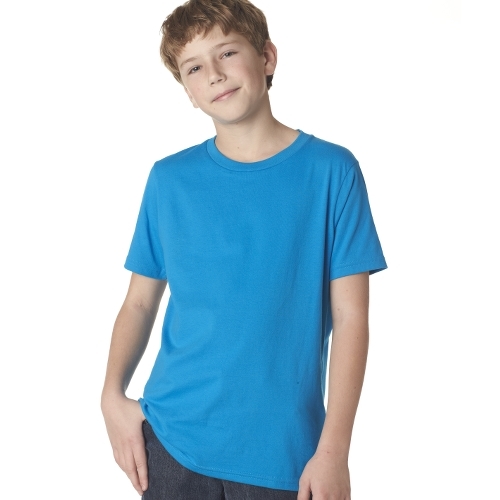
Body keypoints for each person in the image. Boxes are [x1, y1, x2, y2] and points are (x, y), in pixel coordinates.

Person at [101, 0, 387, 498]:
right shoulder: (169, 180)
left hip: (287, 455)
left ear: (267, 57)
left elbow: (351, 320)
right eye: (194, 68)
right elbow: (140, 302)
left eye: (227, 52)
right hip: (172, 443)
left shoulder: (331, 172)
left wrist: (334, 451)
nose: (214, 73)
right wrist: (111, 396)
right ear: (188, 92)